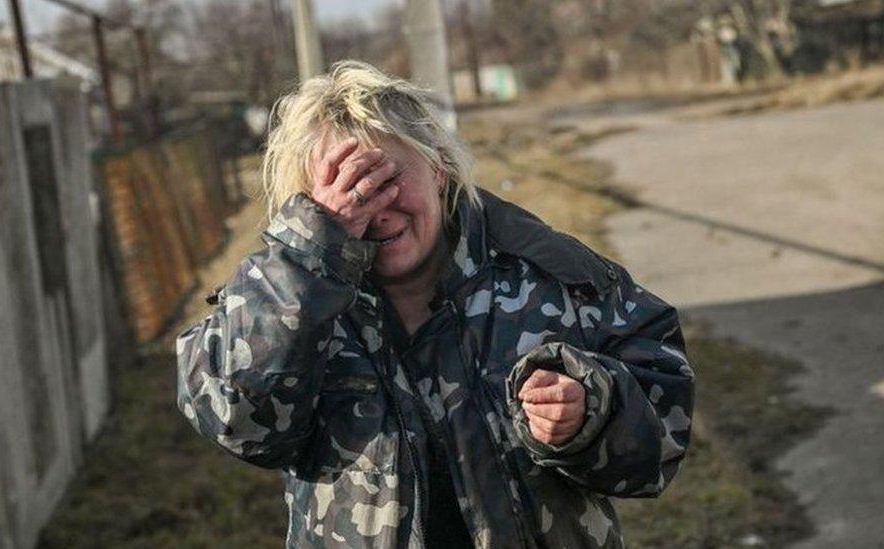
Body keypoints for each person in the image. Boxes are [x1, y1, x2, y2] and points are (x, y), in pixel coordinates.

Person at [176, 60, 695, 549]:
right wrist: (311, 253)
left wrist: (590, 410)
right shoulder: (282, 292)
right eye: (344, 189)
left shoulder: (545, 274)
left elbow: (664, 412)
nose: (373, 208)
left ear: (439, 168)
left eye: (385, 178)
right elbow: (236, 421)